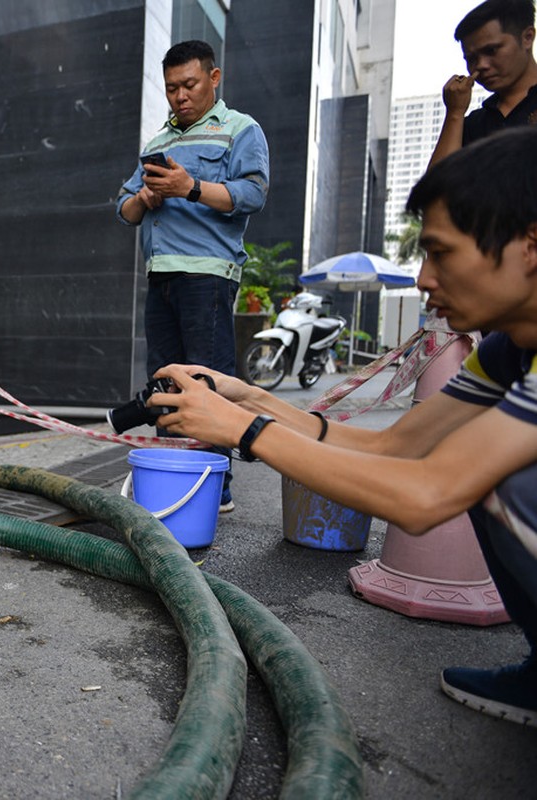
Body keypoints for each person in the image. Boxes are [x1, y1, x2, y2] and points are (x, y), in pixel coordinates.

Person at [150, 126, 537, 728]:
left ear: (530, 245)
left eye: (441, 252)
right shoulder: (511, 348)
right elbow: (394, 447)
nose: (426, 280)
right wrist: (247, 398)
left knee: (502, 478)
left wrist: (243, 432)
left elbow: (426, 494)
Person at [114, 39, 270, 512]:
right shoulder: (157, 141)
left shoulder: (241, 129)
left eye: (189, 84)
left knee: (205, 384)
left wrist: (191, 187)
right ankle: (171, 481)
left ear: (214, 78)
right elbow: (123, 209)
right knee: (165, 384)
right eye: (170, 89)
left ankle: (213, 489)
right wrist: (145, 198)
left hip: (208, 278)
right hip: (160, 275)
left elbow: (253, 194)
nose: (180, 96)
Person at [429, 0, 537, 168]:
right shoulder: (474, 125)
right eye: (471, 59)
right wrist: (455, 113)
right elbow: (438, 190)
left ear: (527, 37)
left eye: (491, 51)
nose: (481, 65)